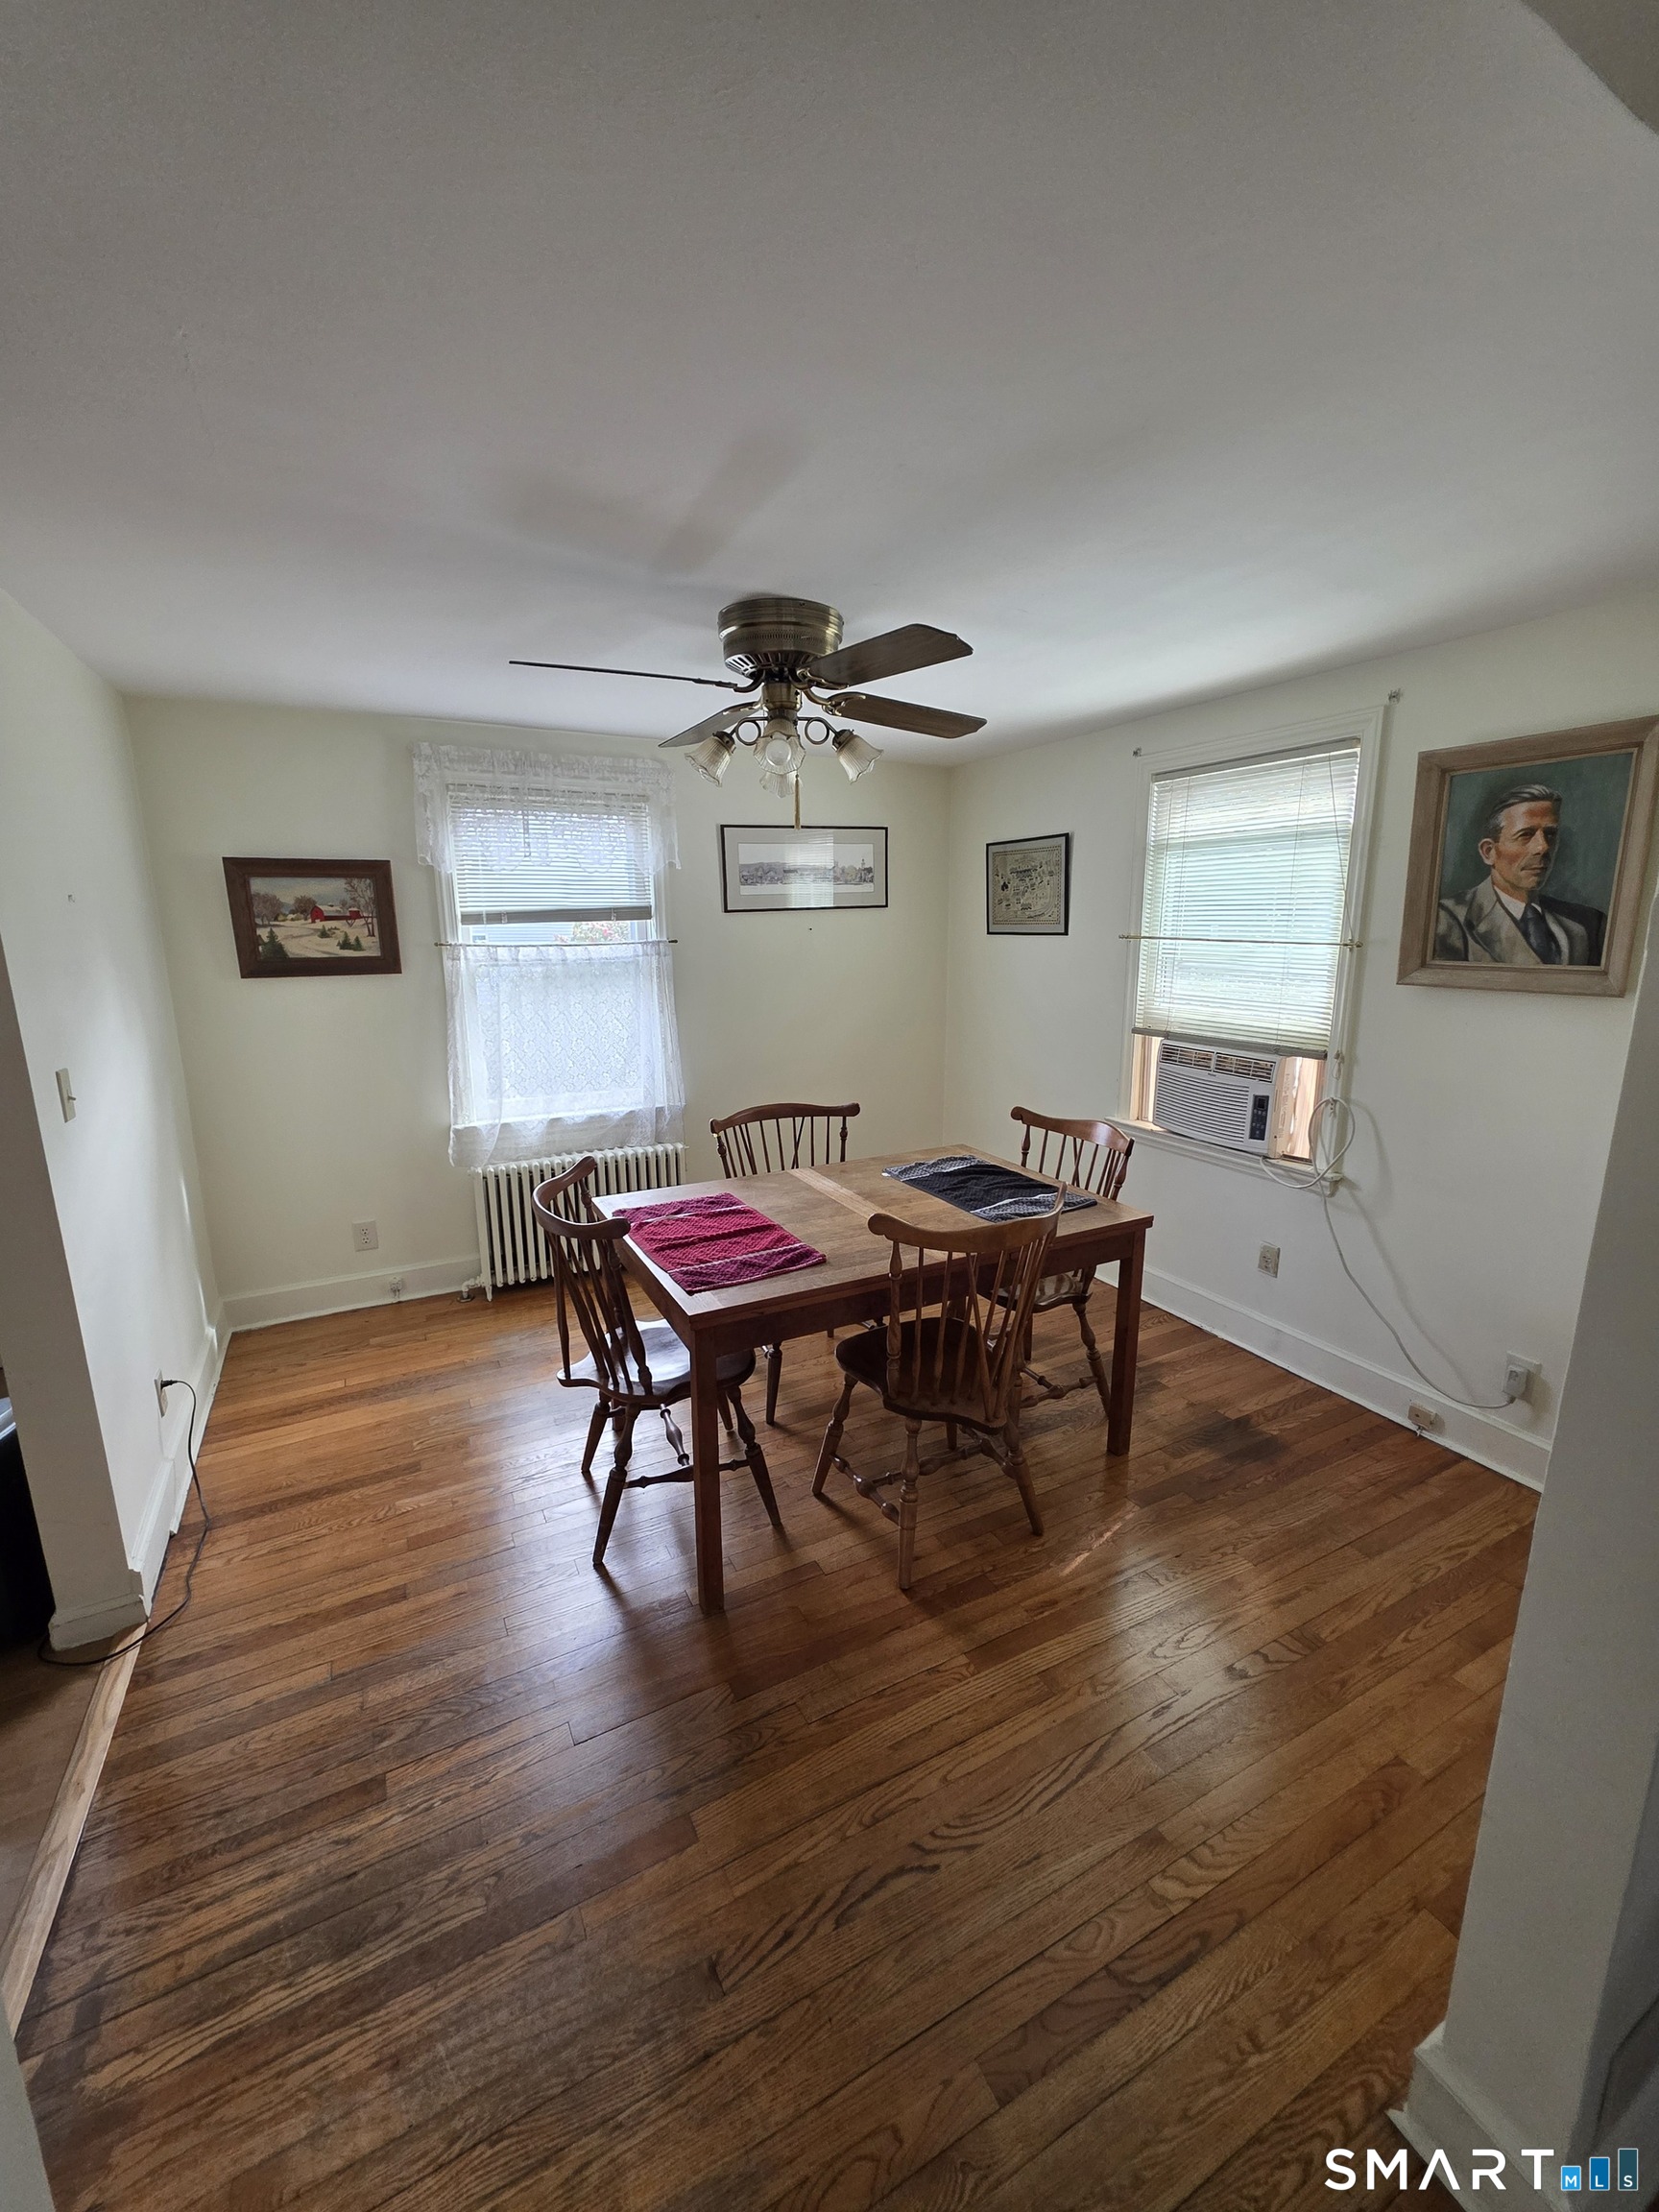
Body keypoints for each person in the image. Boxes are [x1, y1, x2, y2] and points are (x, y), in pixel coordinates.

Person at [1434, 783, 1605, 966]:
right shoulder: (1446, 919)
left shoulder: (1588, 923)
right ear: (1488, 852)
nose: (1543, 847)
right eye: (1525, 834)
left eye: (1550, 834)